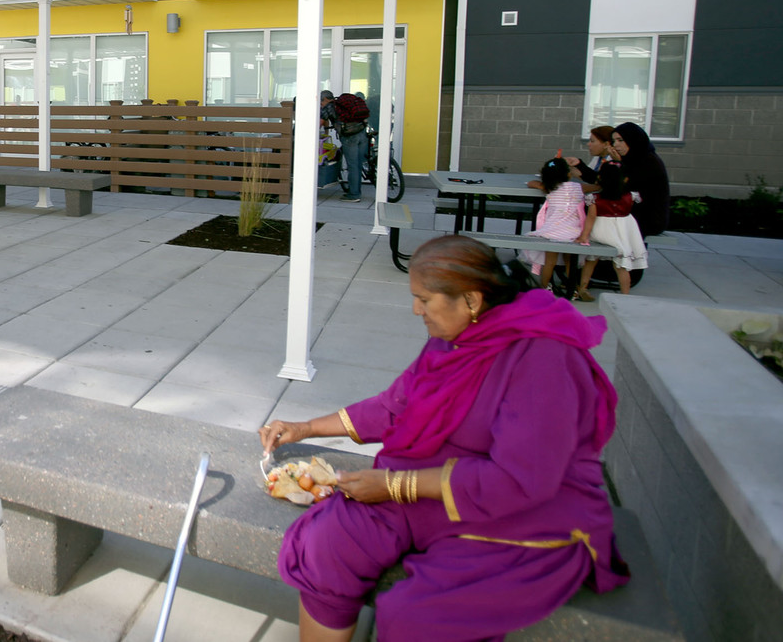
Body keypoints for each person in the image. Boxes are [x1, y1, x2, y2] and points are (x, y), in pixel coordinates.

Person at [261, 235, 627, 642]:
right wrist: (305, 428)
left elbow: (521, 479)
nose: (416, 309)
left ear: (471, 300)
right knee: (327, 544)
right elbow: (395, 406)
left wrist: (396, 485)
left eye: (425, 299)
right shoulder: (454, 334)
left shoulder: (544, 356)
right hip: (429, 486)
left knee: (418, 616)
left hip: (517, 510)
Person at [573, 162, 647, 300]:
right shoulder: (630, 197)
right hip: (621, 234)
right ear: (624, 179)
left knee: (591, 259)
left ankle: (583, 287)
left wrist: (584, 236)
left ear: (601, 180)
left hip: (601, 233)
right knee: (621, 266)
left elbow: (591, 218)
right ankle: (625, 295)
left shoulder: (595, 199)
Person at [521, 153, 586, 290]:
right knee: (570, 261)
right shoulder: (578, 187)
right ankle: (572, 289)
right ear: (568, 174)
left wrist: (541, 184)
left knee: (549, 262)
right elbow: (596, 187)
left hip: (552, 233)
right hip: (573, 233)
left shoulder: (549, 187)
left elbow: (531, 183)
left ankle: (545, 287)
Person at [332, 91, 369, 203]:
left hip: (350, 137)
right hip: (362, 133)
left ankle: (354, 194)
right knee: (358, 164)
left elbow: (319, 122)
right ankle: (356, 189)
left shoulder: (331, 107)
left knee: (353, 166)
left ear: (324, 99)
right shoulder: (348, 104)